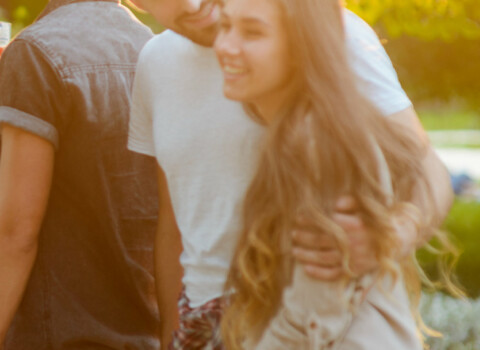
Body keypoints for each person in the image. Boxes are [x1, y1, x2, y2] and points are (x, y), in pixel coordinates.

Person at [126, 0, 454, 348]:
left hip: (291, 316)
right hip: (206, 322)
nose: (193, 3)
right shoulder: (154, 62)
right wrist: (172, 334)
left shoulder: (324, 33)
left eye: (252, 32)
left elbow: (425, 170)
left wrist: (386, 238)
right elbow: (174, 219)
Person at [0, 0, 160, 348]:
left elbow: (15, 231)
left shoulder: (35, 54)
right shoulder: (153, 48)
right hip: (146, 330)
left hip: (59, 333)